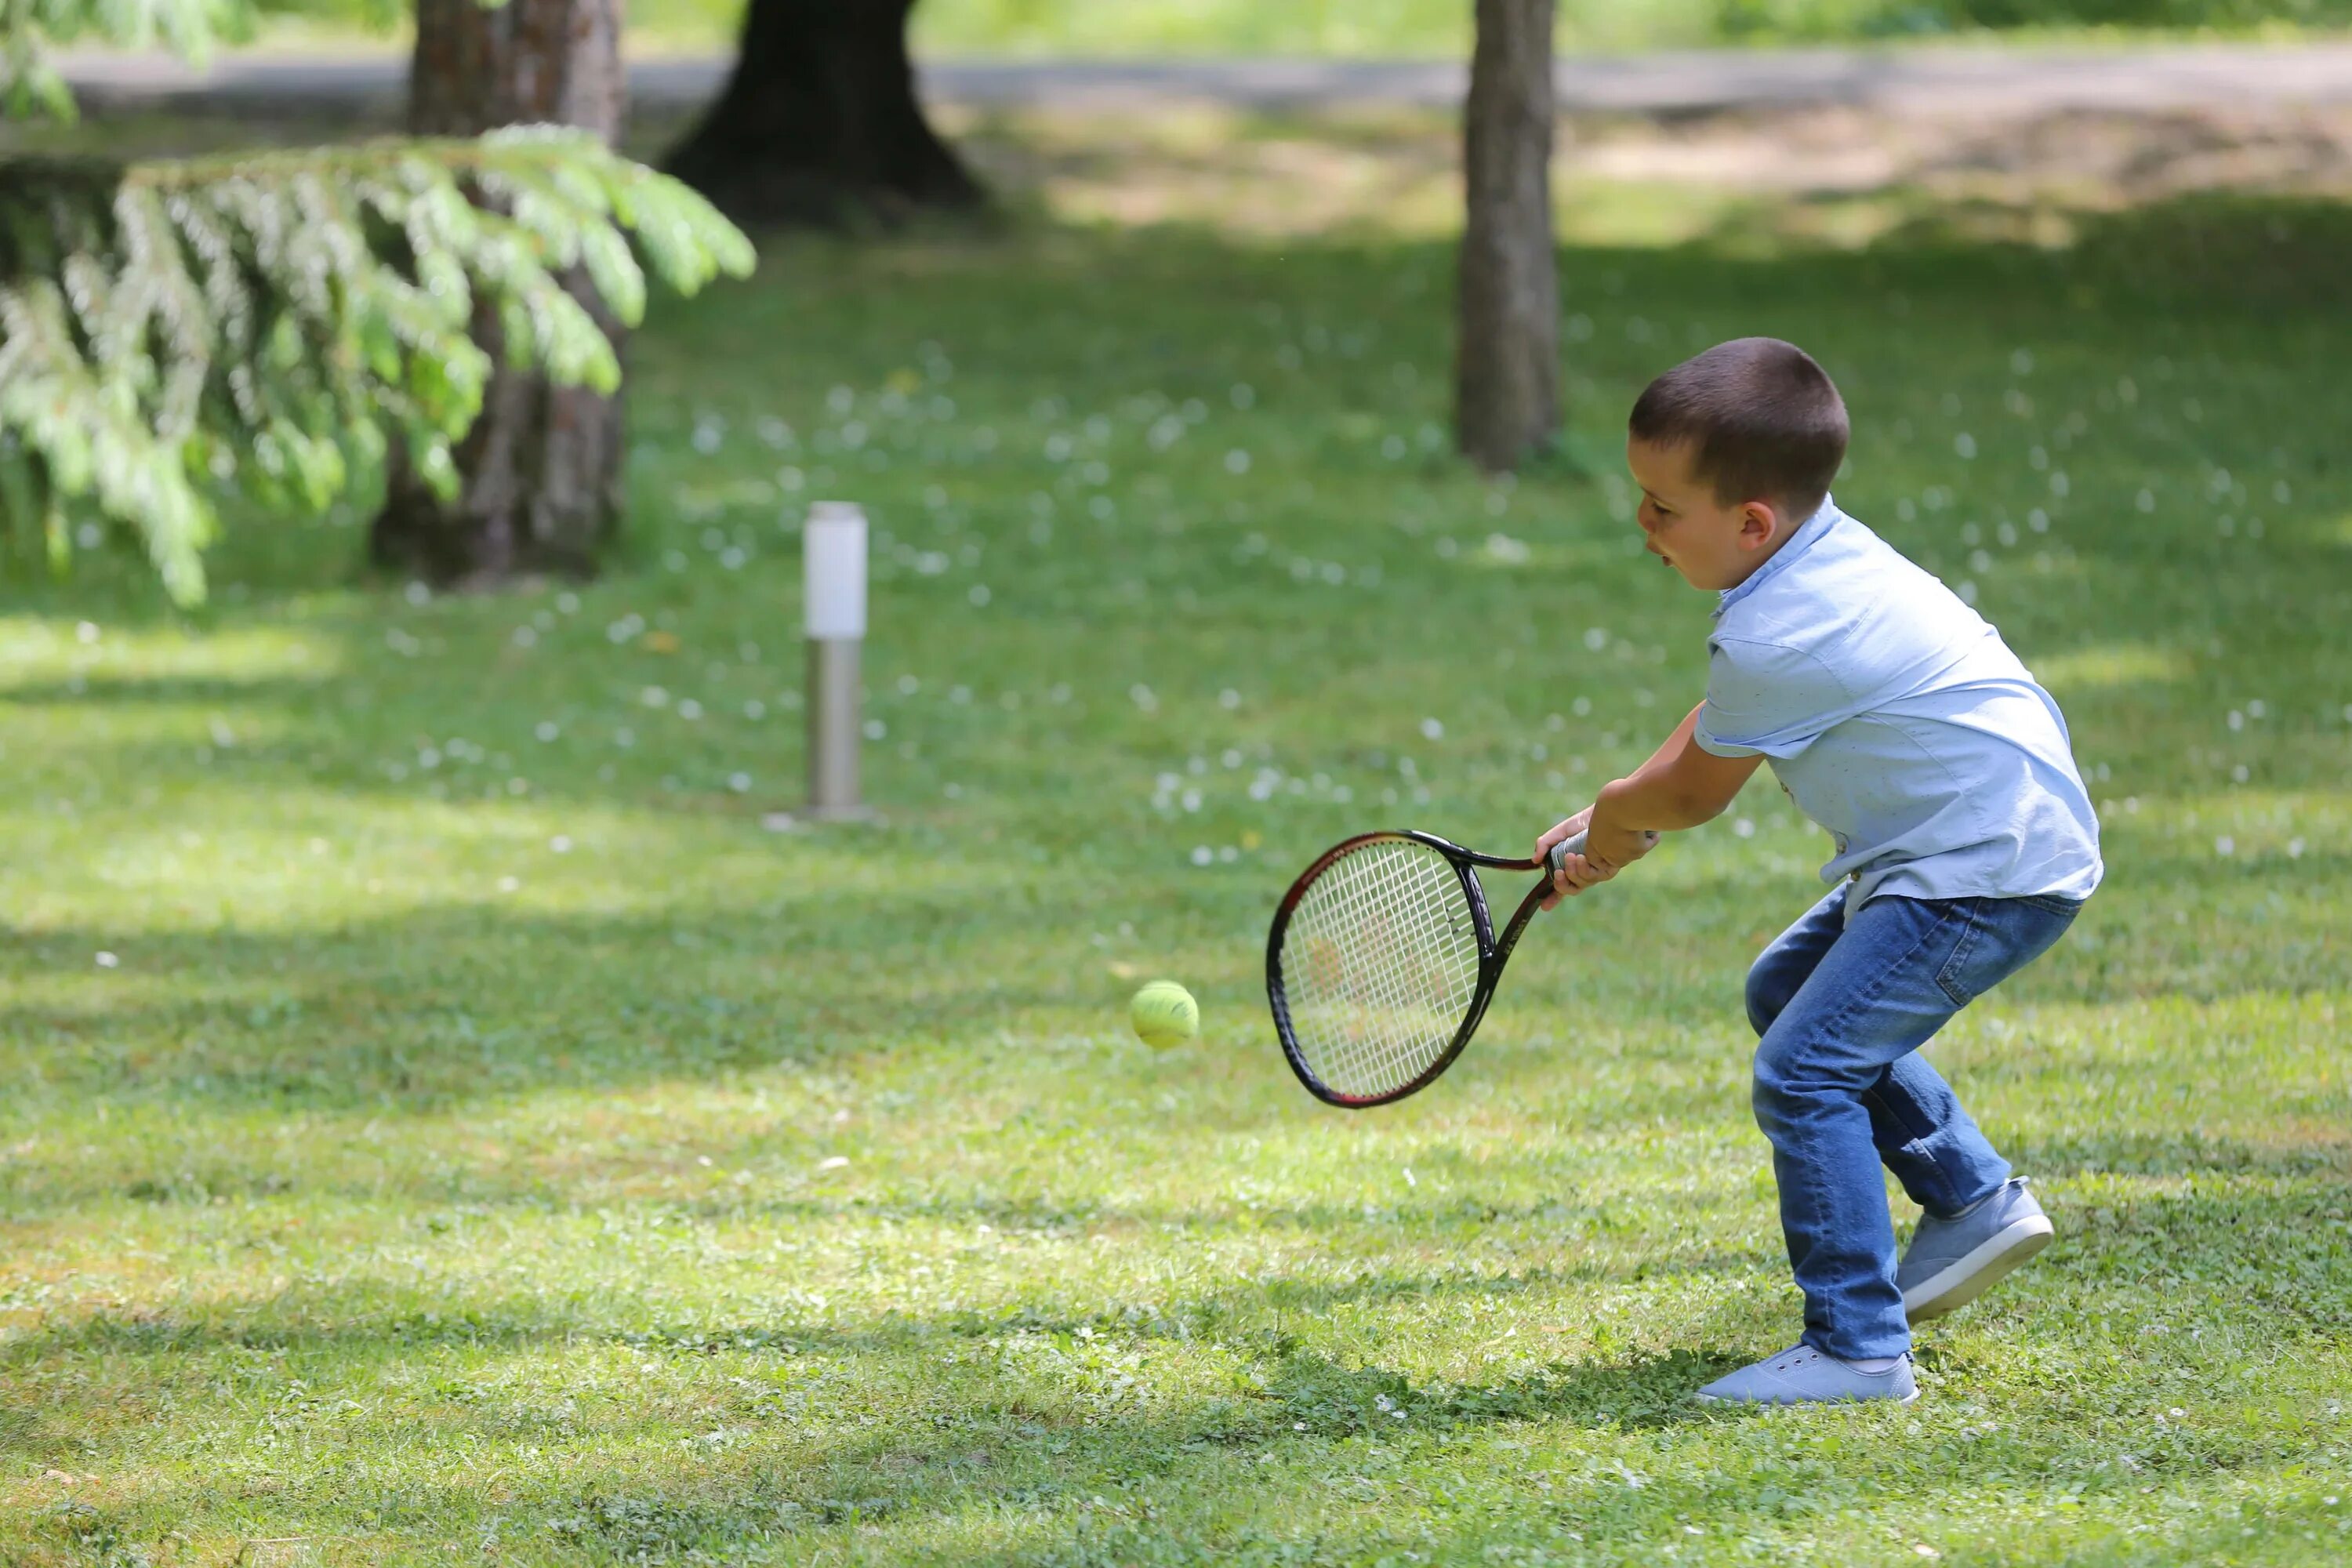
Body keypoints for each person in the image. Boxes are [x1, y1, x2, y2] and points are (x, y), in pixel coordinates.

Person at [1537, 337, 2102, 1406]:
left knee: (1804, 1069)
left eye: (1663, 507)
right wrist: (1617, 810)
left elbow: (1699, 793)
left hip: (1977, 870)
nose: (1643, 525)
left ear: (1750, 521)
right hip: (1992, 840)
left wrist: (1621, 821)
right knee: (1786, 994)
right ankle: (1973, 1201)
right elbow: (1725, 726)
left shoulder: (1784, 628)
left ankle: (1857, 1347)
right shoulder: (1816, 558)